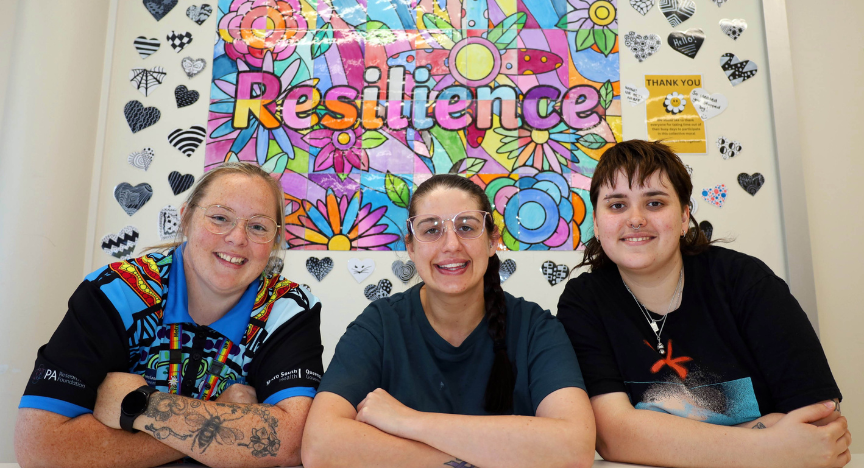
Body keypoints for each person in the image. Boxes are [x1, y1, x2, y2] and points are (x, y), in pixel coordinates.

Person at [556, 140, 851, 468]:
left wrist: (660, 440)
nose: (636, 218)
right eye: (616, 205)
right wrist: (767, 447)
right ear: (596, 223)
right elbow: (613, 435)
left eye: (654, 203)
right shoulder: (583, 302)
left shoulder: (743, 280)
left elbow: (820, 427)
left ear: (684, 217)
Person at [15, 162, 324, 468]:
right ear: (186, 217)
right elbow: (40, 447)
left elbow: (294, 441)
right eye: (219, 217)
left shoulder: (289, 308)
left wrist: (141, 406)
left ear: (274, 240)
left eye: (257, 226)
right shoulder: (116, 291)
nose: (237, 238)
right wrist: (221, 417)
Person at [301, 174, 595, 468]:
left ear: (493, 241)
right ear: (411, 248)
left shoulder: (536, 328)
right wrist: (471, 459)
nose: (452, 244)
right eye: (431, 230)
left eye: (466, 227)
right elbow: (320, 445)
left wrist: (409, 421)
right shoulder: (379, 325)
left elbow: (575, 447)